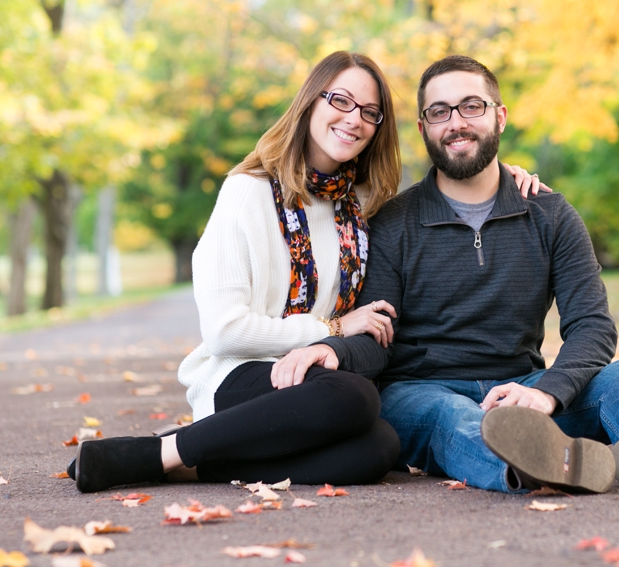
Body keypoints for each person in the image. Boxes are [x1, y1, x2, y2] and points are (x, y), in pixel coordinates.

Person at [276, 55, 619, 494]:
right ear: (425, 126)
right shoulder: (393, 222)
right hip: (421, 392)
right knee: (453, 417)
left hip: (523, 386)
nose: (457, 122)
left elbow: (593, 327)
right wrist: (332, 347)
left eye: (472, 106)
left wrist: (546, 391)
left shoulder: (550, 214)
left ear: (500, 116)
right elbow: (375, 335)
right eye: (440, 112)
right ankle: (537, 465)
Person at [70, 51, 546, 493]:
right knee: (355, 395)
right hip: (240, 377)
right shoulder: (248, 193)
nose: (353, 118)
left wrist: (506, 178)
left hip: (314, 387)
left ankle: (199, 462)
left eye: (369, 111)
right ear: (309, 103)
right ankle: (157, 451)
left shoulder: (357, 204)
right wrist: (332, 329)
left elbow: (464, 178)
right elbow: (224, 333)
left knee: (379, 448)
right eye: (340, 100)